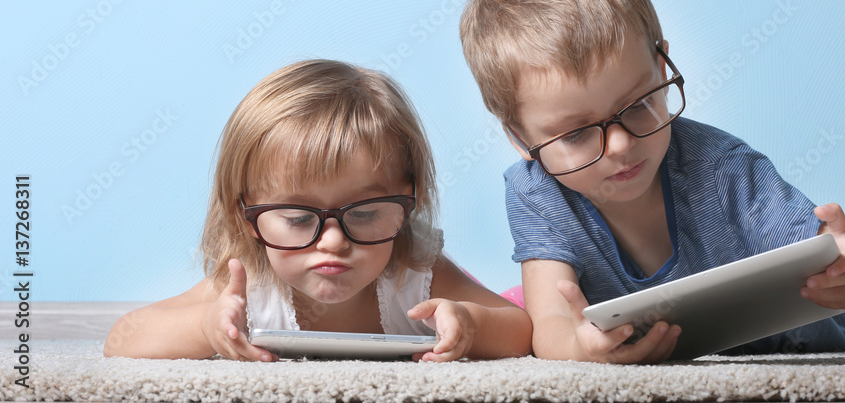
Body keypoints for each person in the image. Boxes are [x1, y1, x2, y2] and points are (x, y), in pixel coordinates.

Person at [458, 0, 845, 363]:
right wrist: (580, 349)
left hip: (796, 342)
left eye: (638, 104)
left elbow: (835, 249)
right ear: (520, 139)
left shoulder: (722, 169)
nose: (621, 144)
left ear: (662, 63)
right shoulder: (536, 194)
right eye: (575, 134)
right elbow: (551, 323)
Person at [104, 60, 531, 362]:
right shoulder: (251, 288)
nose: (333, 241)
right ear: (246, 216)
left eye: (364, 213)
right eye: (297, 218)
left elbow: (522, 330)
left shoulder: (415, 274)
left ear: (408, 202)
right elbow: (123, 337)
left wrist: (471, 324)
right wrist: (205, 327)